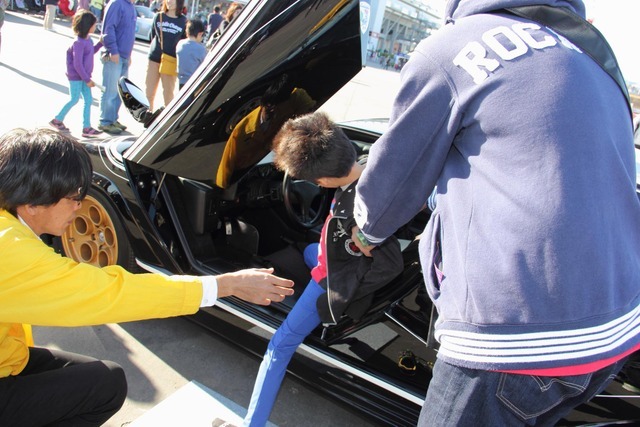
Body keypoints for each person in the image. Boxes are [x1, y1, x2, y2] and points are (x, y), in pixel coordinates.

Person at [351, 0, 640, 425]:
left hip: (516, 333)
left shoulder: (453, 48)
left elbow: (394, 179)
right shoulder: (592, 53)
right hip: (616, 329)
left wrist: (365, 231)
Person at [0, 127, 294, 426]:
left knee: (100, 376)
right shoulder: (11, 252)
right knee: (105, 386)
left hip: (8, 355)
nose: (80, 205)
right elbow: (112, 294)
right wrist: (226, 284)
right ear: (32, 203)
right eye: (74, 197)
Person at [243, 112, 403, 426]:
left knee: (279, 346)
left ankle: (252, 423)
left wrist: (341, 292)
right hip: (327, 255)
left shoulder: (361, 220)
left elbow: (389, 266)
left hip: (328, 280)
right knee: (306, 250)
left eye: (313, 181)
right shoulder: (370, 163)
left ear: (325, 181)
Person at [215, 74, 316, 188]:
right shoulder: (242, 131)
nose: (274, 113)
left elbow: (310, 112)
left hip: (272, 158)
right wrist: (222, 186)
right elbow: (227, 162)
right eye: (269, 109)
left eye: (278, 108)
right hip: (246, 169)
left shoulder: (295, 98)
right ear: (262, 104)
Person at [49, 10, 103, 138]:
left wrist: (100, 44)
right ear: (87, 26)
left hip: (85, 77)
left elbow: (90, 52)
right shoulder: (78, 43)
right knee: (74, 99)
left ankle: (86, 127)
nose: (95, 27)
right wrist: (87, 79)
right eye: (94, 25)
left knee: (88, 100)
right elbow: (77, 64)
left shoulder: (88, 40)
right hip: (76, 77)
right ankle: (57, 120)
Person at [98, 0, 136, 135]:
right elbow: (108, 29)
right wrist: (113, 50)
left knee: (120, 92)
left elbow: (128, 32)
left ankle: (112, 119)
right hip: (114, 55)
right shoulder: (117, 4)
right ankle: (105, 121)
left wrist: (129, 54)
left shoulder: (130, 6)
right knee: (110, 91)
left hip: (124, 56)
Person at [144, 0, 186, 111]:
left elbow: (183, 43)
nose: (169, 2)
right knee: (149, 92)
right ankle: (148, 116)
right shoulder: (158, 16)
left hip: (170, 61)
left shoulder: (183, 21)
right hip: (154, 58)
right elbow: (152, 36)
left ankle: (167, 118)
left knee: (168, 95)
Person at [176, 19, 206, 90]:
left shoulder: (180, 43)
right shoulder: (201, 49)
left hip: (181, 81)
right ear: (200, 34)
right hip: (194, 82)